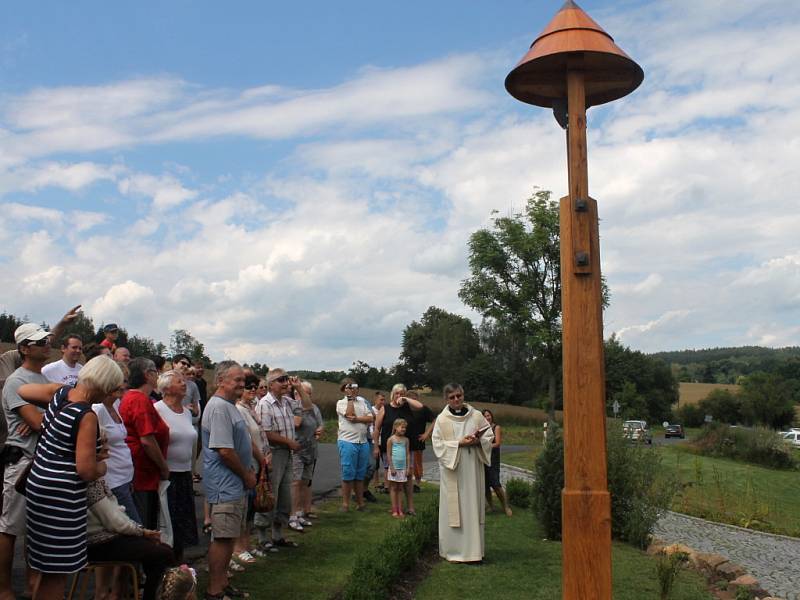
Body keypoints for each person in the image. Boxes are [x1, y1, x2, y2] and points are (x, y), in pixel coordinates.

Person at [23, 355, 121, 598]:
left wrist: (34, 416)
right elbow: (86, 470)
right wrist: (102, 466)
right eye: (112, 387)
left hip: (38, 486)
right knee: (57, 571)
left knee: (43, 565)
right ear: (103, 385)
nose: (111, 393)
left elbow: (23, 390)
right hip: (61, 499)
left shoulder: (59, 395)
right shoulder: (87, 416)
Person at [0, 323, 53, 599]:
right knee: (10, 527)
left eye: (46, 339)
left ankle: (34, 587)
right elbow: (36, 423)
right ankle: (5, 589)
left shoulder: (43, 380)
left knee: (37, 530)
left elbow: (42, 422)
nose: (46, 343)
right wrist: (43, 419)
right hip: (22, 462)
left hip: (43, 462)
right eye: (39, 341)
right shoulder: (17, 382)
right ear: (23, 348)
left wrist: (44, 419)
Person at [201, 360, 255, 600]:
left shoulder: (230, 405)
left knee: (229, 536)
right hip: (226, 484)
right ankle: (214, 591)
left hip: (233, 485)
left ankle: (222, 584)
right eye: (237, 380)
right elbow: (224, 450)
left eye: (243, 380)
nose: (242, 384)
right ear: (220, 381)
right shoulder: (220, 408)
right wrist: (246, 474)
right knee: (222, 538)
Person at [86, 477, 176, 600]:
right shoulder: (91, 484)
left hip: (106, 538)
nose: (107, 458)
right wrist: (142, 532)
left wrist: (141, 532)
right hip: (100, 542)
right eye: (101, 457)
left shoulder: (95, 481)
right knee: (163, 553)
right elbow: (115, 521)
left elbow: (116, 515)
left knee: (159, 550)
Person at [432, 383, 493, 563]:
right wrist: (459, 443)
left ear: (463, 395)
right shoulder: (442, 420)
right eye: (452, 397)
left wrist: (477, 442)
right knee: (455, 509)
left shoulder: (476, 415)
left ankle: (474, 552)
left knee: (472, 506)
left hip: (473, 469)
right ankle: (454, 551)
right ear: (446, 399)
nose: (456, 399)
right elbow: (437, 445)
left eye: (459, 395)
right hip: (454, 470)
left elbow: (489, 436)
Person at [120, 357, 170, 530]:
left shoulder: (135, 398)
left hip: (143, 471)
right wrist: (163, 467)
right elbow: (147, 439)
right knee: (144, 521)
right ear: (148, 375)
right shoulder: (139, 400)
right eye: (156, 372)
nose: (158, 376)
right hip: (143, 474)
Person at [154, 370, 199, 562]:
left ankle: (179, 567)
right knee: (167, 522)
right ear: (166, 388)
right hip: (166, 476)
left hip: (184, 474)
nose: (184, 383)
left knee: (182, 523)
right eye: (179, 381)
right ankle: (164, 566)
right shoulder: (157, 409)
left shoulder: (187, 413)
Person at [256, 368, 302, 544]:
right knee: (270, 495)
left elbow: (306, 406)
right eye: (281, 380)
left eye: (286, 379)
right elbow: (266, 433)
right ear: (270, 384)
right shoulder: (265, 404)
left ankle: (277, 535)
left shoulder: (286, 402)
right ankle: (262, 537)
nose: (285, 383)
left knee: (284, 497)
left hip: (287, 453)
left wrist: (298, 388)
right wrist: (289, 442)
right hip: (274, 453)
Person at [92, 362, 140, 523]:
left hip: (125, 478)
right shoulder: (98, 409)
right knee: (133, 528)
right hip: (112, 481)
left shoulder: (116, 405)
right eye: (121, 380)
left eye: (125, 380)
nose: (124, 385)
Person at [232, 374, 269, 566]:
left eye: (255, 387)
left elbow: (260, 435)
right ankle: (239, 547)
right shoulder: (239, 410)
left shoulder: (251, 409)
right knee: (244, 508)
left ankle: (247, 544)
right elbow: (247, 439)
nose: (253, 390)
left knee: (251, 508)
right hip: (250, 463)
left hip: (258, 463)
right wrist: (261, 458)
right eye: (249, 387)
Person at [373, 384, 423, 515]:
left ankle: (410, 507)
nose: (399, 396)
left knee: (407, 477)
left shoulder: (408, 406)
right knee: (392, 478)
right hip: (389, 448)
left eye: (402, 393)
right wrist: (376, 446)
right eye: (397, 393)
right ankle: (395, 507)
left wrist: (406, 399)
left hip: (408, 447)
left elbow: (420, 406)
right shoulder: (386, 408)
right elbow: (377, 428)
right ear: (392, 394)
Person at [336, 378, 373, 512]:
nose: (353, 389)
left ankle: (360, 503)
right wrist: (350, 398)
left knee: (360, 475)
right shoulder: (341, 403)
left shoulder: (363, 402)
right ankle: (345, 504)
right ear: (343, 389)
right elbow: (349, 414)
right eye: (349, 387)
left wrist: (357, 419)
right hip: (347, 441)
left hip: (362, 441)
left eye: (354, 387)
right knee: (348, 474)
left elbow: (371, 418)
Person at [290, 380, 323, 527]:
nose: (304, 397)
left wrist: (320, 430)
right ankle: (292, 514)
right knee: (296, 482)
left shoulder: (314, 408)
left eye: (307, 394)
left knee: (305, 481)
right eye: (302, 393)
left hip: (311, 448)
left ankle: (300, 512)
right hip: (297, 448)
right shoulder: (292, 406)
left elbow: (319, 423)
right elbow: (296, 424)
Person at [482, 409, 513, 517]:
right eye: (485, 416)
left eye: (488, 415)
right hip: (483, 459)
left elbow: (498, 443)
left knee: (496, 484)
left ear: (491, 416)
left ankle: (506, 506)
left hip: (493, 459)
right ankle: (491, 506)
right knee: (485, 485)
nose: (487, 418)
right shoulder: (481, 429)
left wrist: (485, 446)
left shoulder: (496, 427)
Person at [407, 390, 434, 493]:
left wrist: (427, 433)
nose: (414, 399)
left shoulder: (423, 409)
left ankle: (417, 484)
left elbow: (435, 420)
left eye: (415, 397)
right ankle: (406, 482)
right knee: (406, 461)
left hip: (418, 439)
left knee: (417, 462)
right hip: (405, 439)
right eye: (411, 398)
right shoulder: (405, 409)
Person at [386, 418, 411, 519]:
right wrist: (391, 467)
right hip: (394, 468)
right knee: (393, 488)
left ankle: (400, 509)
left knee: (400, 488)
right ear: (396, 427)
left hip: (403, 469)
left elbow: (408, 454)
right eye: (402, 427)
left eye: (405, 427)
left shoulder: (406, 440)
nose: (404, 429)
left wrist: (408, 467)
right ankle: (394, 508)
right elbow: (388, 454)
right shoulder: (391, 439)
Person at [371, 392, 386, 494]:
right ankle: (376, 483)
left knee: (386, 463)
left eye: (384, 400)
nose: (383, 402)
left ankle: (386, 484)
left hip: (384, 440)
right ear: (375, 400)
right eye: (381, 400)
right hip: (374, 440)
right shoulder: (371, 410)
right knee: (375, 464)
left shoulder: (385, 410)